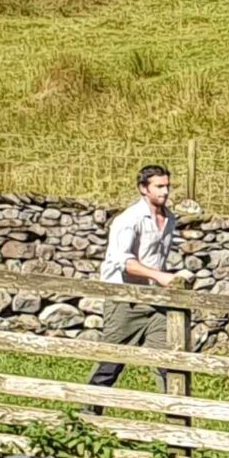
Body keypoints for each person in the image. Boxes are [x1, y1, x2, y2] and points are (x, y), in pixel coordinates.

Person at [89, 163, 180, 391]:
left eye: (167, 186)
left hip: (155, 300)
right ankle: (84, 415)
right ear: (143, 188)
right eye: (158, 187)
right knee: (110, 363)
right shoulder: (129, 219)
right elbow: (124, 261)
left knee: (167, 362)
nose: (165, 192)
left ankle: (176, 420)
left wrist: (160, 280)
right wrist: (160, 276)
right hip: (125, 299)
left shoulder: (169, 218)